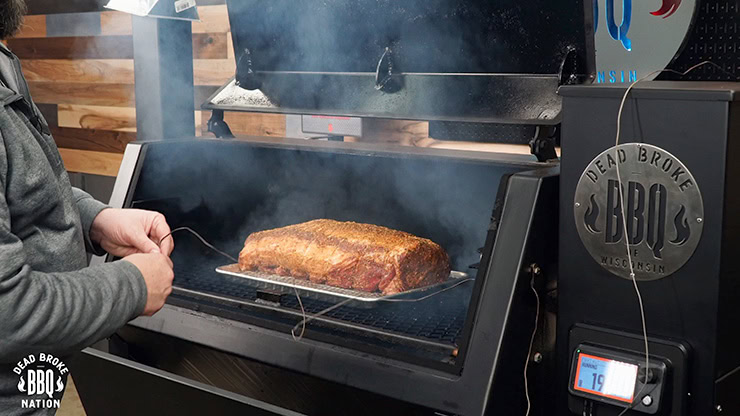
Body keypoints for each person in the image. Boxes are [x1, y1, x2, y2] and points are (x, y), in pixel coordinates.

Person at [0, 0, 176, 413]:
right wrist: (132, 285)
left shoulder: (3, 60)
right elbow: (7, 313)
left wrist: (96, 220)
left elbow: (23, 190)